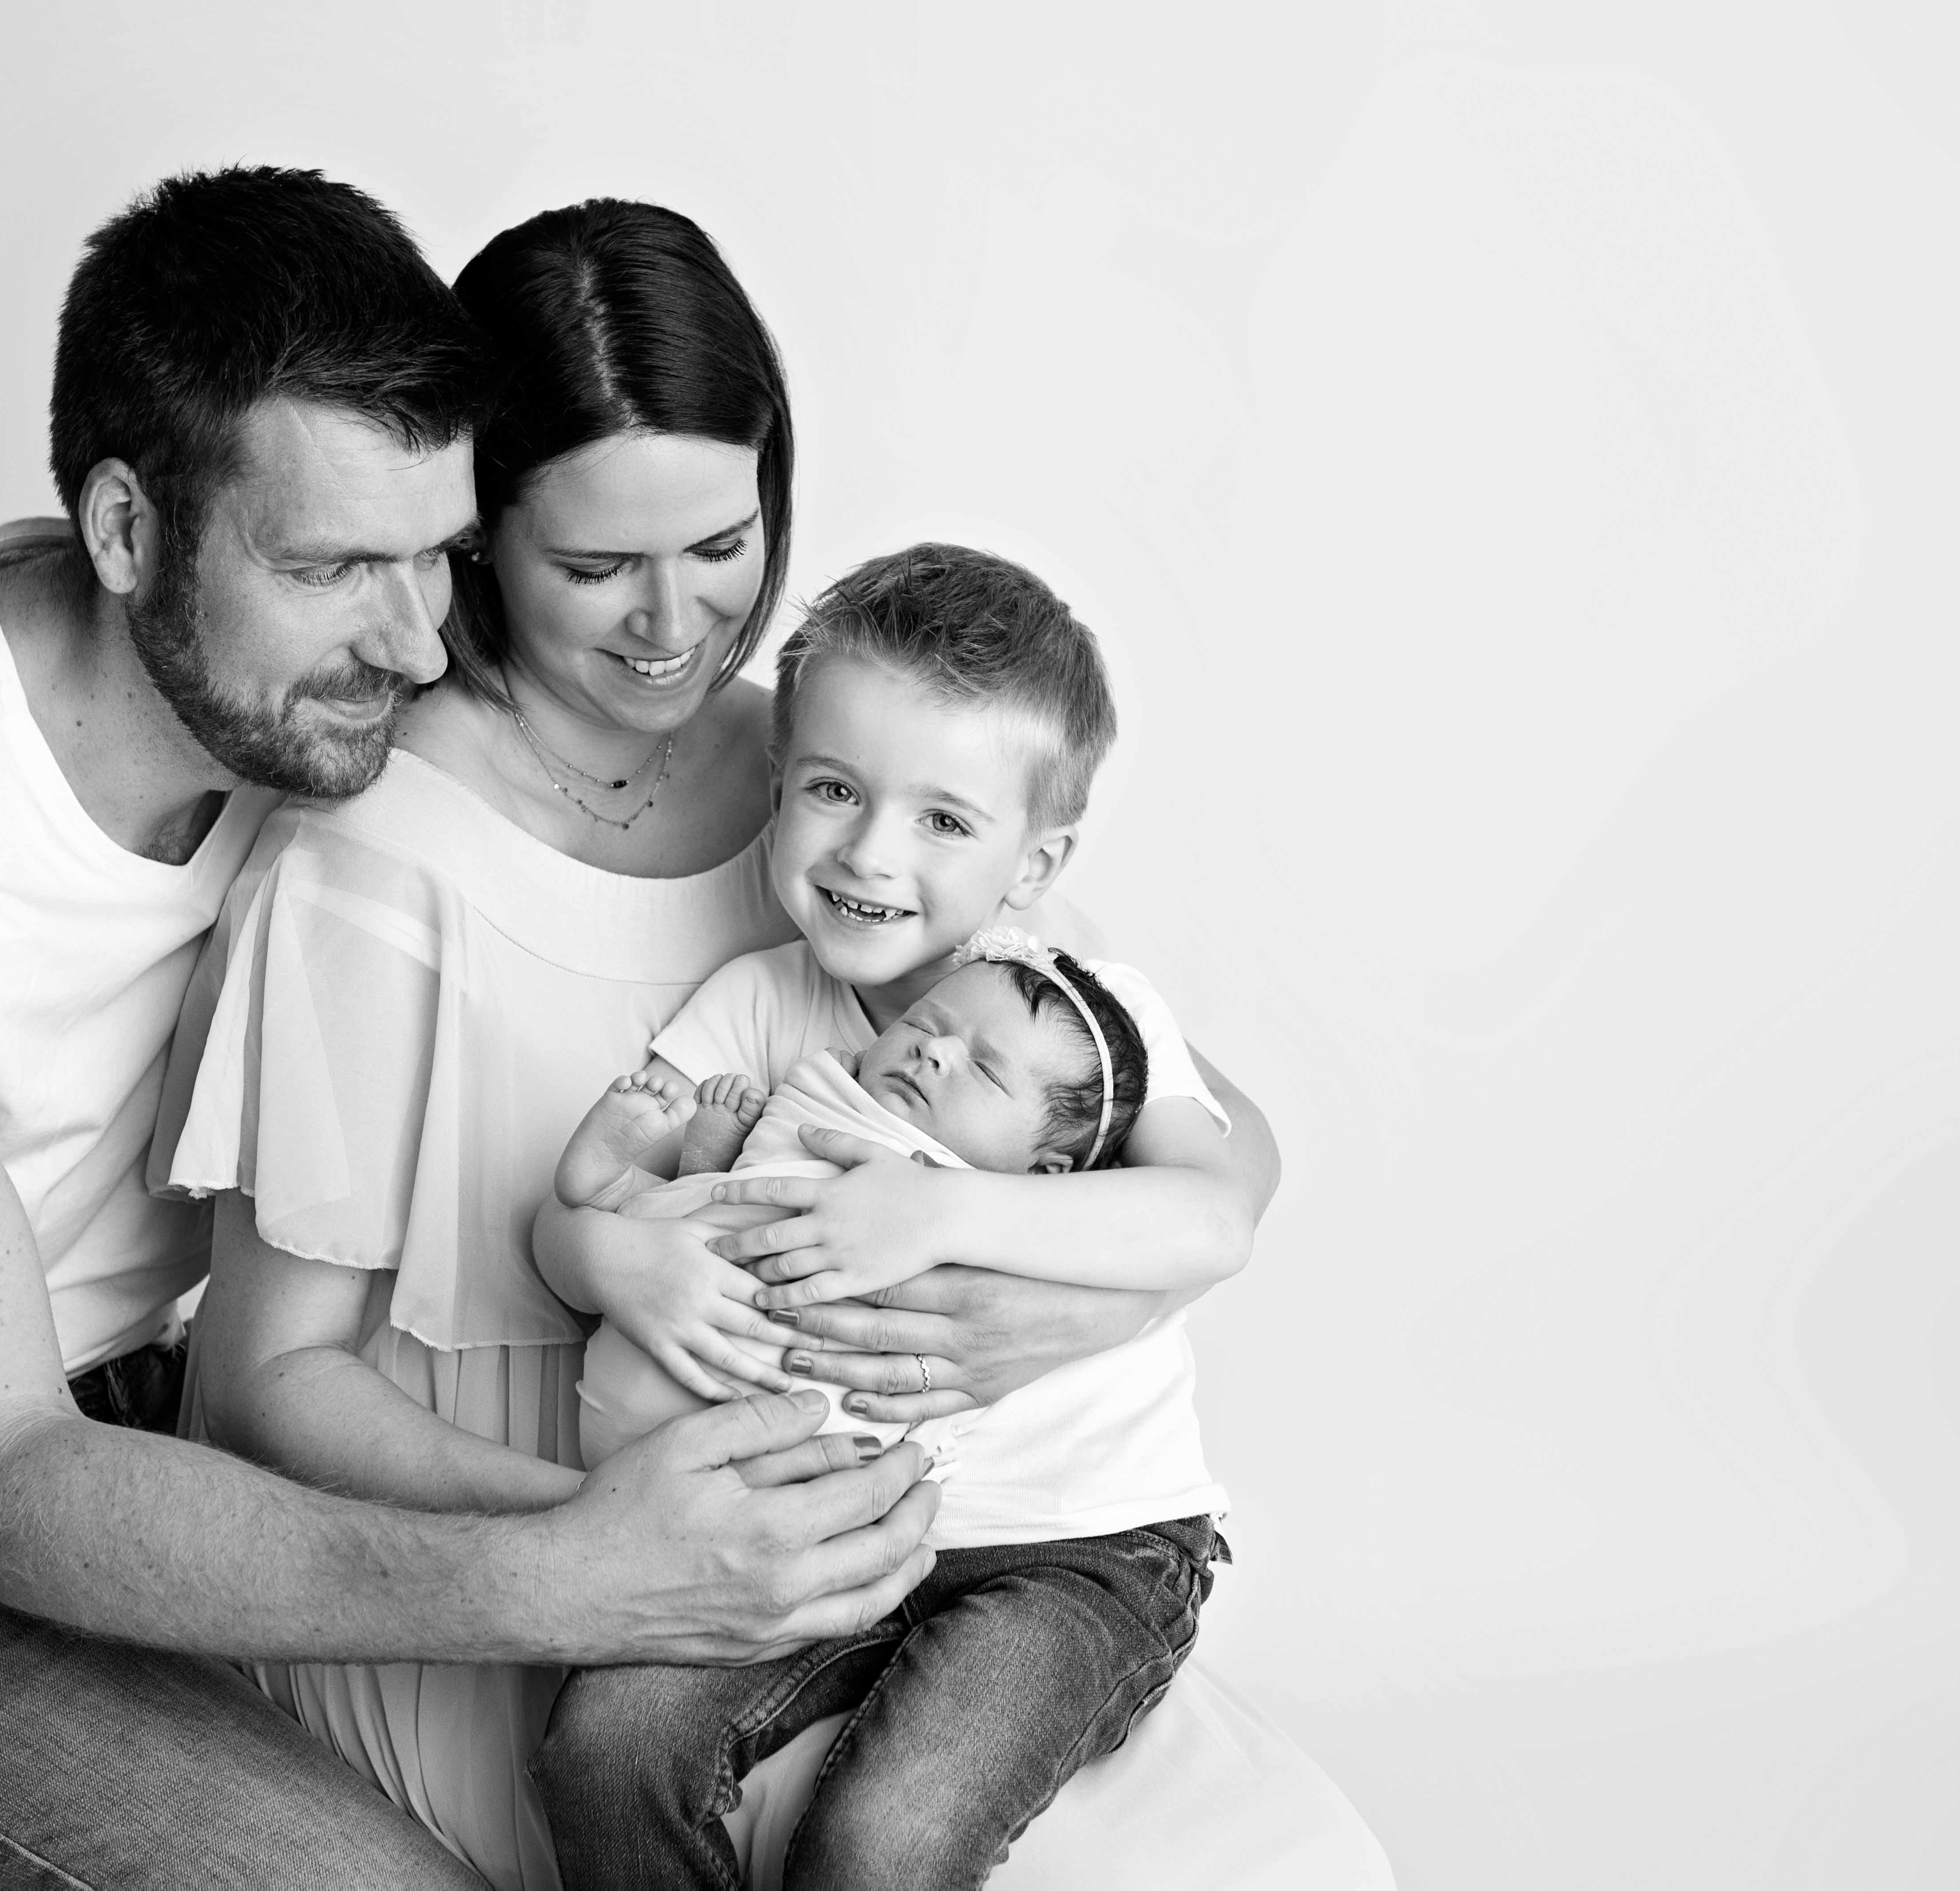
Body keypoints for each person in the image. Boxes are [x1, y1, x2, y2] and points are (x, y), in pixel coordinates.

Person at [0, 166, 942, 1891]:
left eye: (439, 559)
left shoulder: (322, 708)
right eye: (338, 567)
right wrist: (573, 1560)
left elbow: (844, 837)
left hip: (142, 1420)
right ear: (126, 533)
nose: (417, 645)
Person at [162, 207, 1336, 1889]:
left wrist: (1045, 1291)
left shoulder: (828, 765)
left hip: (897, 1519)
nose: (670, 623)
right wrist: (606, 1543)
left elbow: (1175, 1114)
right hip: (519, 1561)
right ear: (473, 538)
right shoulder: (374, 868)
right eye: (593, 567)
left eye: (722, 542)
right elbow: (269, 1381)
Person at [535, 548, 1237, 1889]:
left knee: (882, 1837)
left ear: (1039, 863)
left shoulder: (1088, 1019)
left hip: (1073, 1545)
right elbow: (579, 1209)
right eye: (835, 790)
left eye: (944, 820)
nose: (868, 853)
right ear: (782, 780)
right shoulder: (755, 1004)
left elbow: (1211, 1224)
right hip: (837, 1515)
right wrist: (610, 1246)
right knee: (603, 1748)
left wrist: (938, 1210)